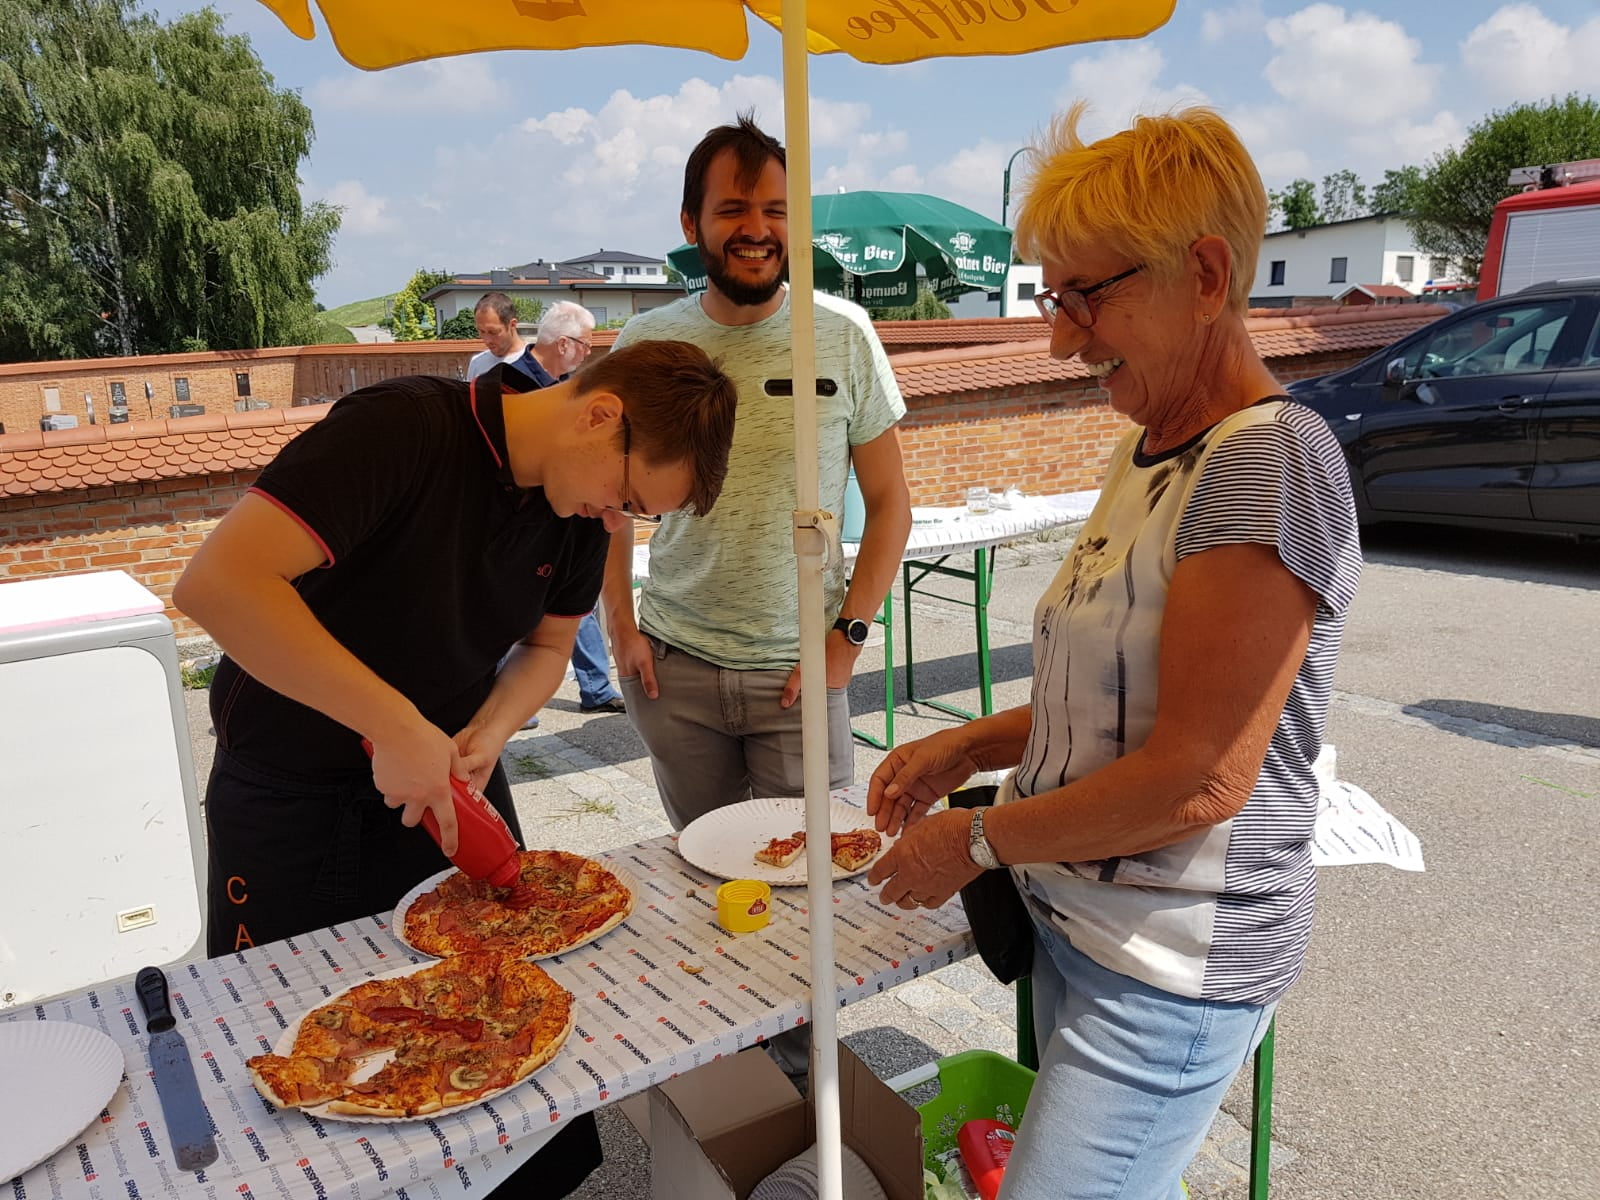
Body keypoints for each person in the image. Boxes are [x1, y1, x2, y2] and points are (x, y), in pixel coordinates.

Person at [865, 104, 1363, 1199]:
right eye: (1055, 296)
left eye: (1084, 294)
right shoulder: (1152, 445)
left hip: (1169, 969)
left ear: (1203, 272)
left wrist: (978, 839)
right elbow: (1115, 695)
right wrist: (969, 743)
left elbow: (1196, 780)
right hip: (1087, 926)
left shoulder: (1264, 460)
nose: (1059, 336)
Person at [173, 341, 736, 1197]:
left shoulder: (578, 514)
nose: (616, 521)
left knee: (494, 1054)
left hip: (447, 786)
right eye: (625, 496)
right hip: (292, 796)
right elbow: (218, 584)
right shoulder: (404, 430)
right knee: (301, 1079)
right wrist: (394, 722)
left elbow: (549, 645)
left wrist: (490, 730)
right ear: (600, 413)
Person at [601, 113, 913, 831]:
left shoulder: (841, 335)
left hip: (801, 672)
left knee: (816, 890)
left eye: (776, 210)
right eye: (733, 208)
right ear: (691, 222)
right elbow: (606, 503)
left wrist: (848, 639)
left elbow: (892, 501)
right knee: (706, 878)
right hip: (673, 666)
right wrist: (620, 624)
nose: (757, 228)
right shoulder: (648, 343)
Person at [468, 296, 625, 715]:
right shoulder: (512, 384)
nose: (588, 353)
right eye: (586, 346)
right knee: (516, 611)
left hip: (564, 520)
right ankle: (518, 703)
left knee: (577, 606)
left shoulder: (564, 387)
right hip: (522, 523)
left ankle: (593, 688)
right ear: (564, 343)